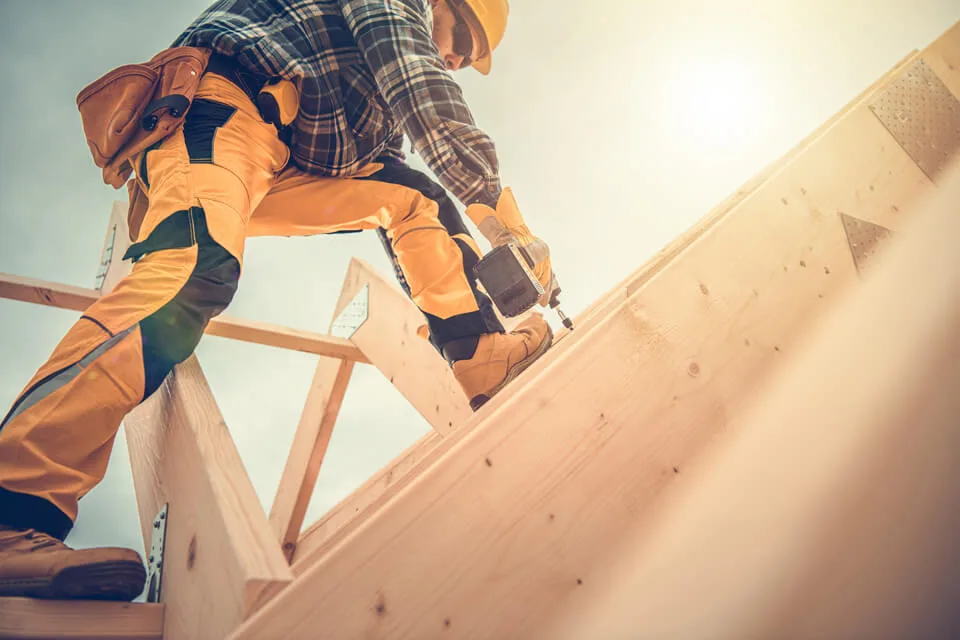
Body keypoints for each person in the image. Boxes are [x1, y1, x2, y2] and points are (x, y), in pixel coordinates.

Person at [0, 0, 558, 601]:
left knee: (414, 196)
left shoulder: (361, 105)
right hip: (220, 112)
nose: (455, 59)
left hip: (280, 159)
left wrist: (474, 226)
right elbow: (416, 78)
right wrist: (498, 211)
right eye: (463, 40)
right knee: (192, 272)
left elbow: (392, 156)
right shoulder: (397, 10)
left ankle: (479, 353)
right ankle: (14, 510)